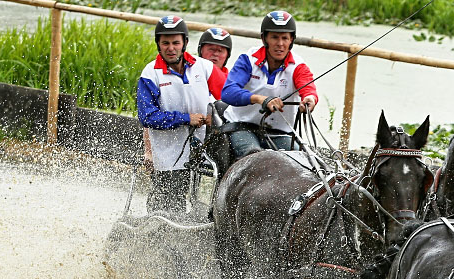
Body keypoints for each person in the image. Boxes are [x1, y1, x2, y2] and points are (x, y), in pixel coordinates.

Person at [137, 15, 219, 216]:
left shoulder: (205, 67)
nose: (170, 48)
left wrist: (214, 116)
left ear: (185, 44)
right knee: (168, 209)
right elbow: (147, 117)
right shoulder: (150, 74)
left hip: (203, 149)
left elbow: (229, 94)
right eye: (165, 43)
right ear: (158, 44)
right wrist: (185, 118)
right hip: (169, 155)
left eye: (175, 42)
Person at [220, 10, 319, 156]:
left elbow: (308, 88)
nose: (280, 44)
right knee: (253, 157)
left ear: (291, 40)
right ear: (264, 38)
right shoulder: (248, 60)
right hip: (241, 126)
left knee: (303, 160)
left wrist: (310, 99)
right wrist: (261, 99)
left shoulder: (298, 66)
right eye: (274, 37)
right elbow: (228, 92)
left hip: (279, 132)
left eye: (285, 38)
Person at [197, 27, 233, 95]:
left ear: (227, 56)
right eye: (211, 49)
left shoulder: (231, 84)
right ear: (201, 50)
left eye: (220, 51)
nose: (215, 54)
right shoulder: (188, 73)